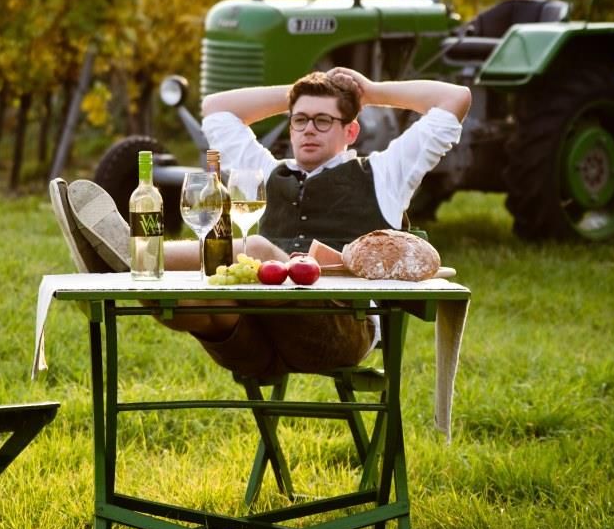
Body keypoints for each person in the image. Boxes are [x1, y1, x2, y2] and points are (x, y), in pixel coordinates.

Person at [68, 66, 469, 378]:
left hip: (340, 329)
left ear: (351, 130)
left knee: (256, 250)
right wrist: (300, 91)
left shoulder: (385, 174)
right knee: (176, 302)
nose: (308, 129)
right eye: (300, 120)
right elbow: (217, 109)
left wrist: (367, 90)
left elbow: (455, 99)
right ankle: (133, 266)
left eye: (323, 121)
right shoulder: (263, 171)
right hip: (254, 337)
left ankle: (127, 254)